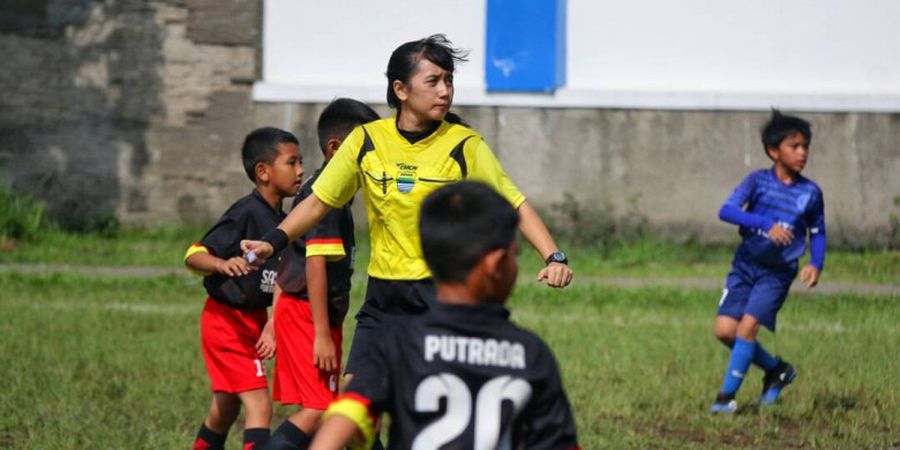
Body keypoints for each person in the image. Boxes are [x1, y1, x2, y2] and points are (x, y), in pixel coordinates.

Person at [241, 34, 572, 447]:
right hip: (384, 301)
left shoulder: (464, 145)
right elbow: (318, 203)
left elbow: (513, 201)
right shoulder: (368, 141)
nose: (445, 90)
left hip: (439, 298)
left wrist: (553, 255)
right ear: (401, 90)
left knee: (430, 411)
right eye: (433, 81)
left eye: (449, 80)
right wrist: (273, 240)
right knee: (356, 410)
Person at [309, 181, 581, 450]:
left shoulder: (398, 343)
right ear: (497, 264)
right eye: (514, 255)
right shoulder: (530, 354)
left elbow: (345, 419)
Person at [266, 99, 380, 450]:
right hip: (307, 316)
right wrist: (321, 335)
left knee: (337, 410)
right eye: (365, 150)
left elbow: (289, 259)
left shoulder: (335, 195)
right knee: (320, 411)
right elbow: (313, 264)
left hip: (308, 313)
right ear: (336, 149)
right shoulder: (325, 199)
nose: (373, 161)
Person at [184, 127, 304, 449]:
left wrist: (272, 326)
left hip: (253, 320)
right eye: (291, 162)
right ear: (263, 172)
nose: (301, 170)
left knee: (225, 409)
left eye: (300, 162)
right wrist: (222, 264)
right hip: (226, 322)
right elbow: (194, 254)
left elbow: (281, 280)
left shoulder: (286, 221)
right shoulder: (245, 212)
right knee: (259, 405)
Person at [710, 110, 826, 413]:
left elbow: (818, 231)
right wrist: (764, 223)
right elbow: (726, 210)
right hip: (745, 266)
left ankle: (725, 399)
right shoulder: (756, 182)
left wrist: (815, 262)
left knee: (747, 328)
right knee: (725, 331)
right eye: (794, 146)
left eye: (805, 146)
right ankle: (777, 370)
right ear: (774, 151)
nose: (802, 153)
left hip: (776, 275)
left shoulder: (810, 193)